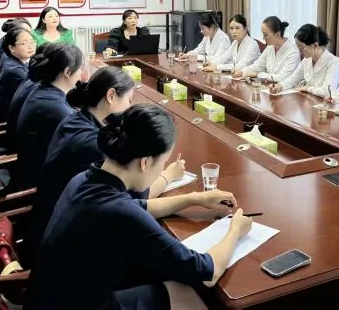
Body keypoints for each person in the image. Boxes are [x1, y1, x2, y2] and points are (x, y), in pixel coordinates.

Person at [26, 104, 253, 310]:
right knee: (185, 294)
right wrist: (235, 229)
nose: (163, 168)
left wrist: (194, 198)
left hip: (48, 298)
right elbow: (207, 272)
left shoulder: (85, 179)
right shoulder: (118, 211)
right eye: (163, 161)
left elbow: (141, 206)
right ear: (145, 162)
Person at [29, 67, 186, 257]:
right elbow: (140, 196)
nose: (130, 108)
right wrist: (169, 174)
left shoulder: (75, 119)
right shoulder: (95, 145)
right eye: (129, 101)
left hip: (49, 227)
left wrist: (192, 199)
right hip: (57, 240)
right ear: (111, 96)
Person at [15, 43, 83, 189]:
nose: (81, 73)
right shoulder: (57, 109)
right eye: (80, 68)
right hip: (40, 183)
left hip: (30, 167)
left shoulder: (43, 88)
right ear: (67, 72)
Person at [269, 24, 339, 98]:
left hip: (326, 103)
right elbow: (294, 78)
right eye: (298, 48)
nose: (299, 52)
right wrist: (280, 86)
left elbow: (327, 92)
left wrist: (307, 88)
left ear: (315, 45)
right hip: (310, 100)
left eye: (301, 48)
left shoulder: (334, 62)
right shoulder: (307, 59)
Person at [233, 16, 300, 83]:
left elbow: (282, 77)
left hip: (287, 88)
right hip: (270, 86)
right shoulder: (270, 48)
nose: (263, 38)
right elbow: (257, 66)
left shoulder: (292, 52)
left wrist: (258, 74)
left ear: (277, 34)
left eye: (265, 35)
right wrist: (242, 72)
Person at [0, 26, 36, 123]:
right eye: (24, 43)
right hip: (9, 123)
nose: (30, 46)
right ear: (12, 48)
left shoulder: (15, 61)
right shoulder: (14, 70)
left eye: (32, 42)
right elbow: (37, 88)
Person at [0, 17, 31, 86]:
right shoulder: (6, 51)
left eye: (29, 32)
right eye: (25, 31)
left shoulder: (9, 40)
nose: (29, 35)